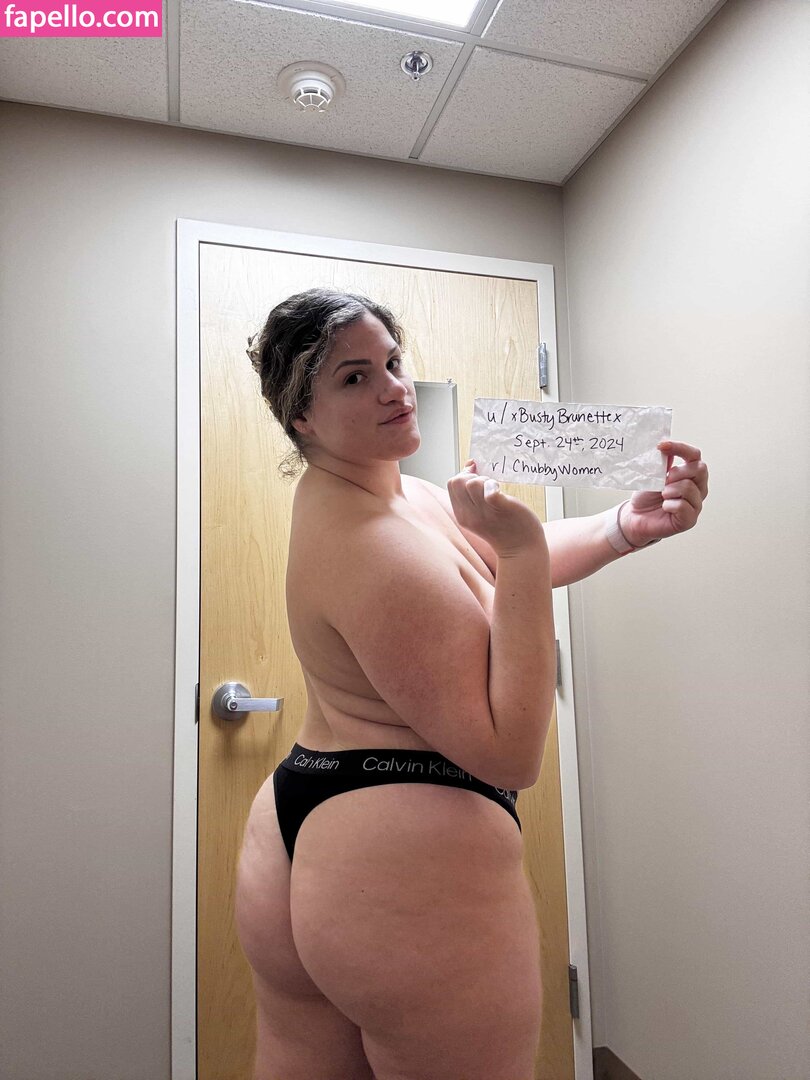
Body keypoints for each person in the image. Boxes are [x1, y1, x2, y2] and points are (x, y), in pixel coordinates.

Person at [234, 287, 709, 1080]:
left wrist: (621, 527)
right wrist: (520, 556)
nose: (393, 387)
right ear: (302, 418)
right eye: (354, 377)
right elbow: (508, 752)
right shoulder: (369, 542)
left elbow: (474, 558)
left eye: (392, 362)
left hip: (314, 815)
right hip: (401, 859)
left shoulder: (381, 492)